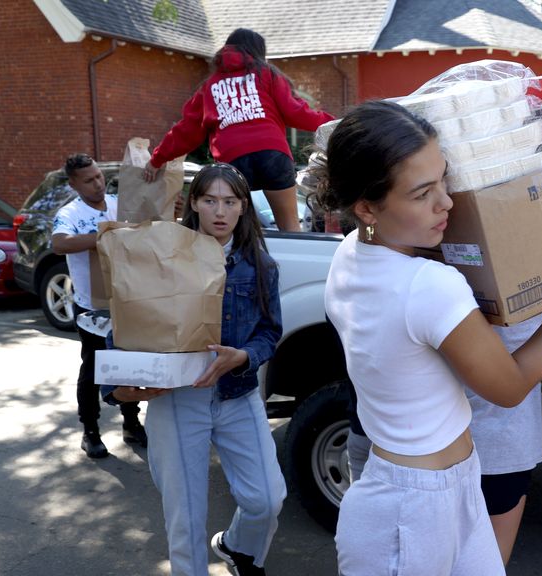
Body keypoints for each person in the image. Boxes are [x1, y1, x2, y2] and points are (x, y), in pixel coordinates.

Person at [314, 100, 542, 575]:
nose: (447, 202)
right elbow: (511, 386)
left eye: (444, 180)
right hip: (413, 511)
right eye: (422, 193)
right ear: (367, 205)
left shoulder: (350, 254)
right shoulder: (428, 284)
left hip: (420, 488)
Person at [101, 164, 286, 576]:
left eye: (230, 201)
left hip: (237, 395)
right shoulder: (162, 255)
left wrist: (243, 356)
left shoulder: (260, 266)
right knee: (184, 519)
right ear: (194, 204)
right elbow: (129, 321)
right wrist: (118, 389)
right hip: (178, 399)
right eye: (209, 200)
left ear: (243, 208)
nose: (220, 211)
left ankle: (238, 548)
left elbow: (270, 332)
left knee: (267, 500)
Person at [144, 28, 334, 232]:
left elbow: (187, 130)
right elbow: (296, 111)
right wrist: (334, 124)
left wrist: (157, 159)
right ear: (258, 52)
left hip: (233, 159)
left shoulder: (210, 85)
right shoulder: (266, 74)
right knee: (289, 226)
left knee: (235, 230)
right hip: (273, 153)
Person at [51, 153, 145, 459]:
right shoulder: (71, 213)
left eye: (99, 177)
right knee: (93, 367)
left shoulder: (118, 203)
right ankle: (90, 431)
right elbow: (60, 243)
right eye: (89, 180)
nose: (98, 184)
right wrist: (102, 236)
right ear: (74, 184)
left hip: (126, 299)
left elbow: (147, 224)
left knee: (128, 364)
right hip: (90, 307)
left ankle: (131, 423)